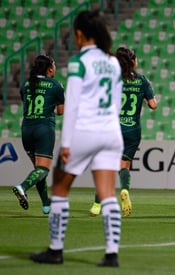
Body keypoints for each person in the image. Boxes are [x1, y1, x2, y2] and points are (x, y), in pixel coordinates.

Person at [30, 10, 123, 267]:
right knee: (107, 193)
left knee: (59, 187)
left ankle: (55, 250)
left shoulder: (78, 62)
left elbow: (71, 106)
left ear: (80, 34)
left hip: (85, 130)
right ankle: (112, 254)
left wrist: (67, 143)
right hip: (111, 132)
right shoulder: (114, 62)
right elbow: (115, 104)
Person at [89, 47, 158, 217]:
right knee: (124, 165)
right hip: (133, 129)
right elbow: (153, 104)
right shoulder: (142, 80)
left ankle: (97, 205)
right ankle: (124, 190)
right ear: (133, 61)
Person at [12, 55, 64, 215]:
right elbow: (61, 111)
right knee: (43, 168)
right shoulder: (55, 85)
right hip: (44, 129)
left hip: (27, 129)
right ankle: (23, 187)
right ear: (49, 69)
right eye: (54, 65)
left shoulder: (26, 84)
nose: (55, 68)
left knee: (38, 169)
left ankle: (46, 205)